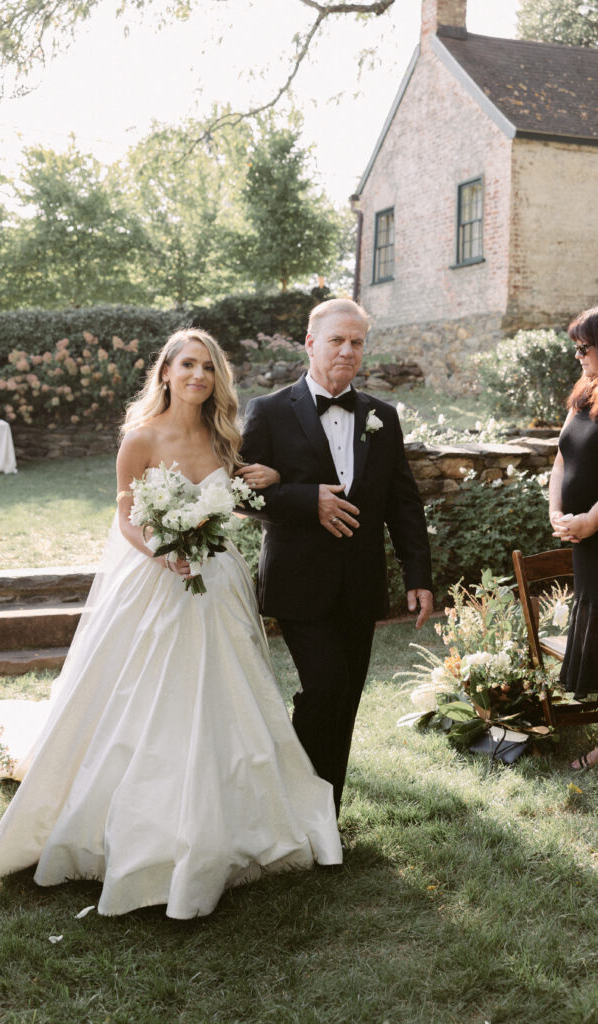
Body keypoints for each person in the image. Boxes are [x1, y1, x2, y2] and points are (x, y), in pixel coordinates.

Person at [0, 328, 342, 918]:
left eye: (208, 367)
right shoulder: (140, 438)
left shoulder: (227, 438)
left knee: (225, 692)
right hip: (155, 579)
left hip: (217, 584)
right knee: (141, 693)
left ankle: (234, 815)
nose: (199, 375)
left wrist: (268, 482)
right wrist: (160, 549)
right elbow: (125, 513)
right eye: (188, 365)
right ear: (166, 372)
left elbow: (238, 497)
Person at [240, 298, 433, 815]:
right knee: (325, 688)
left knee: (344, 701)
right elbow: (238, 493)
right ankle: (293, 806)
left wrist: (419, 575)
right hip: (299, 581)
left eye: (357, 342)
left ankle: (325, 816)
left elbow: (403, 502)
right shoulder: (269, 411)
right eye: (336, 340)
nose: (348, 351)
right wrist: (309, 499)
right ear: (310, 343)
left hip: (360, 582)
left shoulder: (382, 417)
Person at [549, 307, 598, 771]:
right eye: (576, 347)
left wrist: (592, 520)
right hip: (586, 542)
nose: (578, 355)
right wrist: (557, 512)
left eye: (585, 347)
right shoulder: (584, 394)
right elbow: (562, 459)